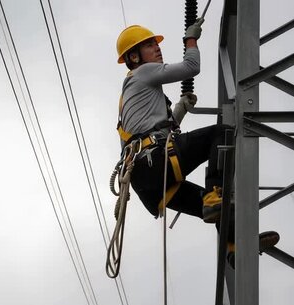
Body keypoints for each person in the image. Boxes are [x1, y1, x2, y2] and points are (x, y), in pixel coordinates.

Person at [114, 20, 279, 260]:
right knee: (220, 133)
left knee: (215, 209)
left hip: (146, 182)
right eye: (149, 45)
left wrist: (179, 109)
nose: (157, 48)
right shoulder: (143, 73)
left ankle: (233, 249)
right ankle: (215, 192)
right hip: (155, 162)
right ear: (135, 57)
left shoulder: (130, 93)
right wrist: (191, 40)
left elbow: (149, 131)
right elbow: (191, 66)